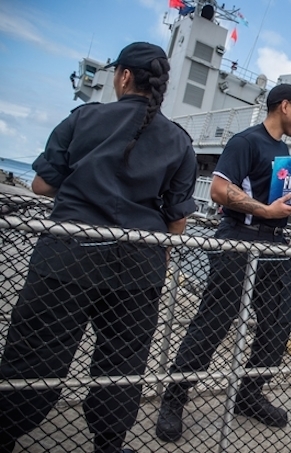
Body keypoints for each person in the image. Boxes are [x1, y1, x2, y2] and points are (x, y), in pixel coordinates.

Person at [0, 42, 197, 453]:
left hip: (66, 257)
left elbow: (41, 185)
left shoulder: (85, 117)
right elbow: (177, 221)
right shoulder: (180, 142)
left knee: (35, 357)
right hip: (136, 269)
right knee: (121, 367)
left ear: (123, 76)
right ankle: (108, 443)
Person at [155, 84, 291, 442]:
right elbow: (219, 190)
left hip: (275, 244)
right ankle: (174, 400)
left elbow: (275, 197)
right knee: (213, 323)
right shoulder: (246, 141)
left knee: (277, 323)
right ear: (284, 105)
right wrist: (266, 210)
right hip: (238, 239)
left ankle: (249, 394)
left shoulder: (284, 150)